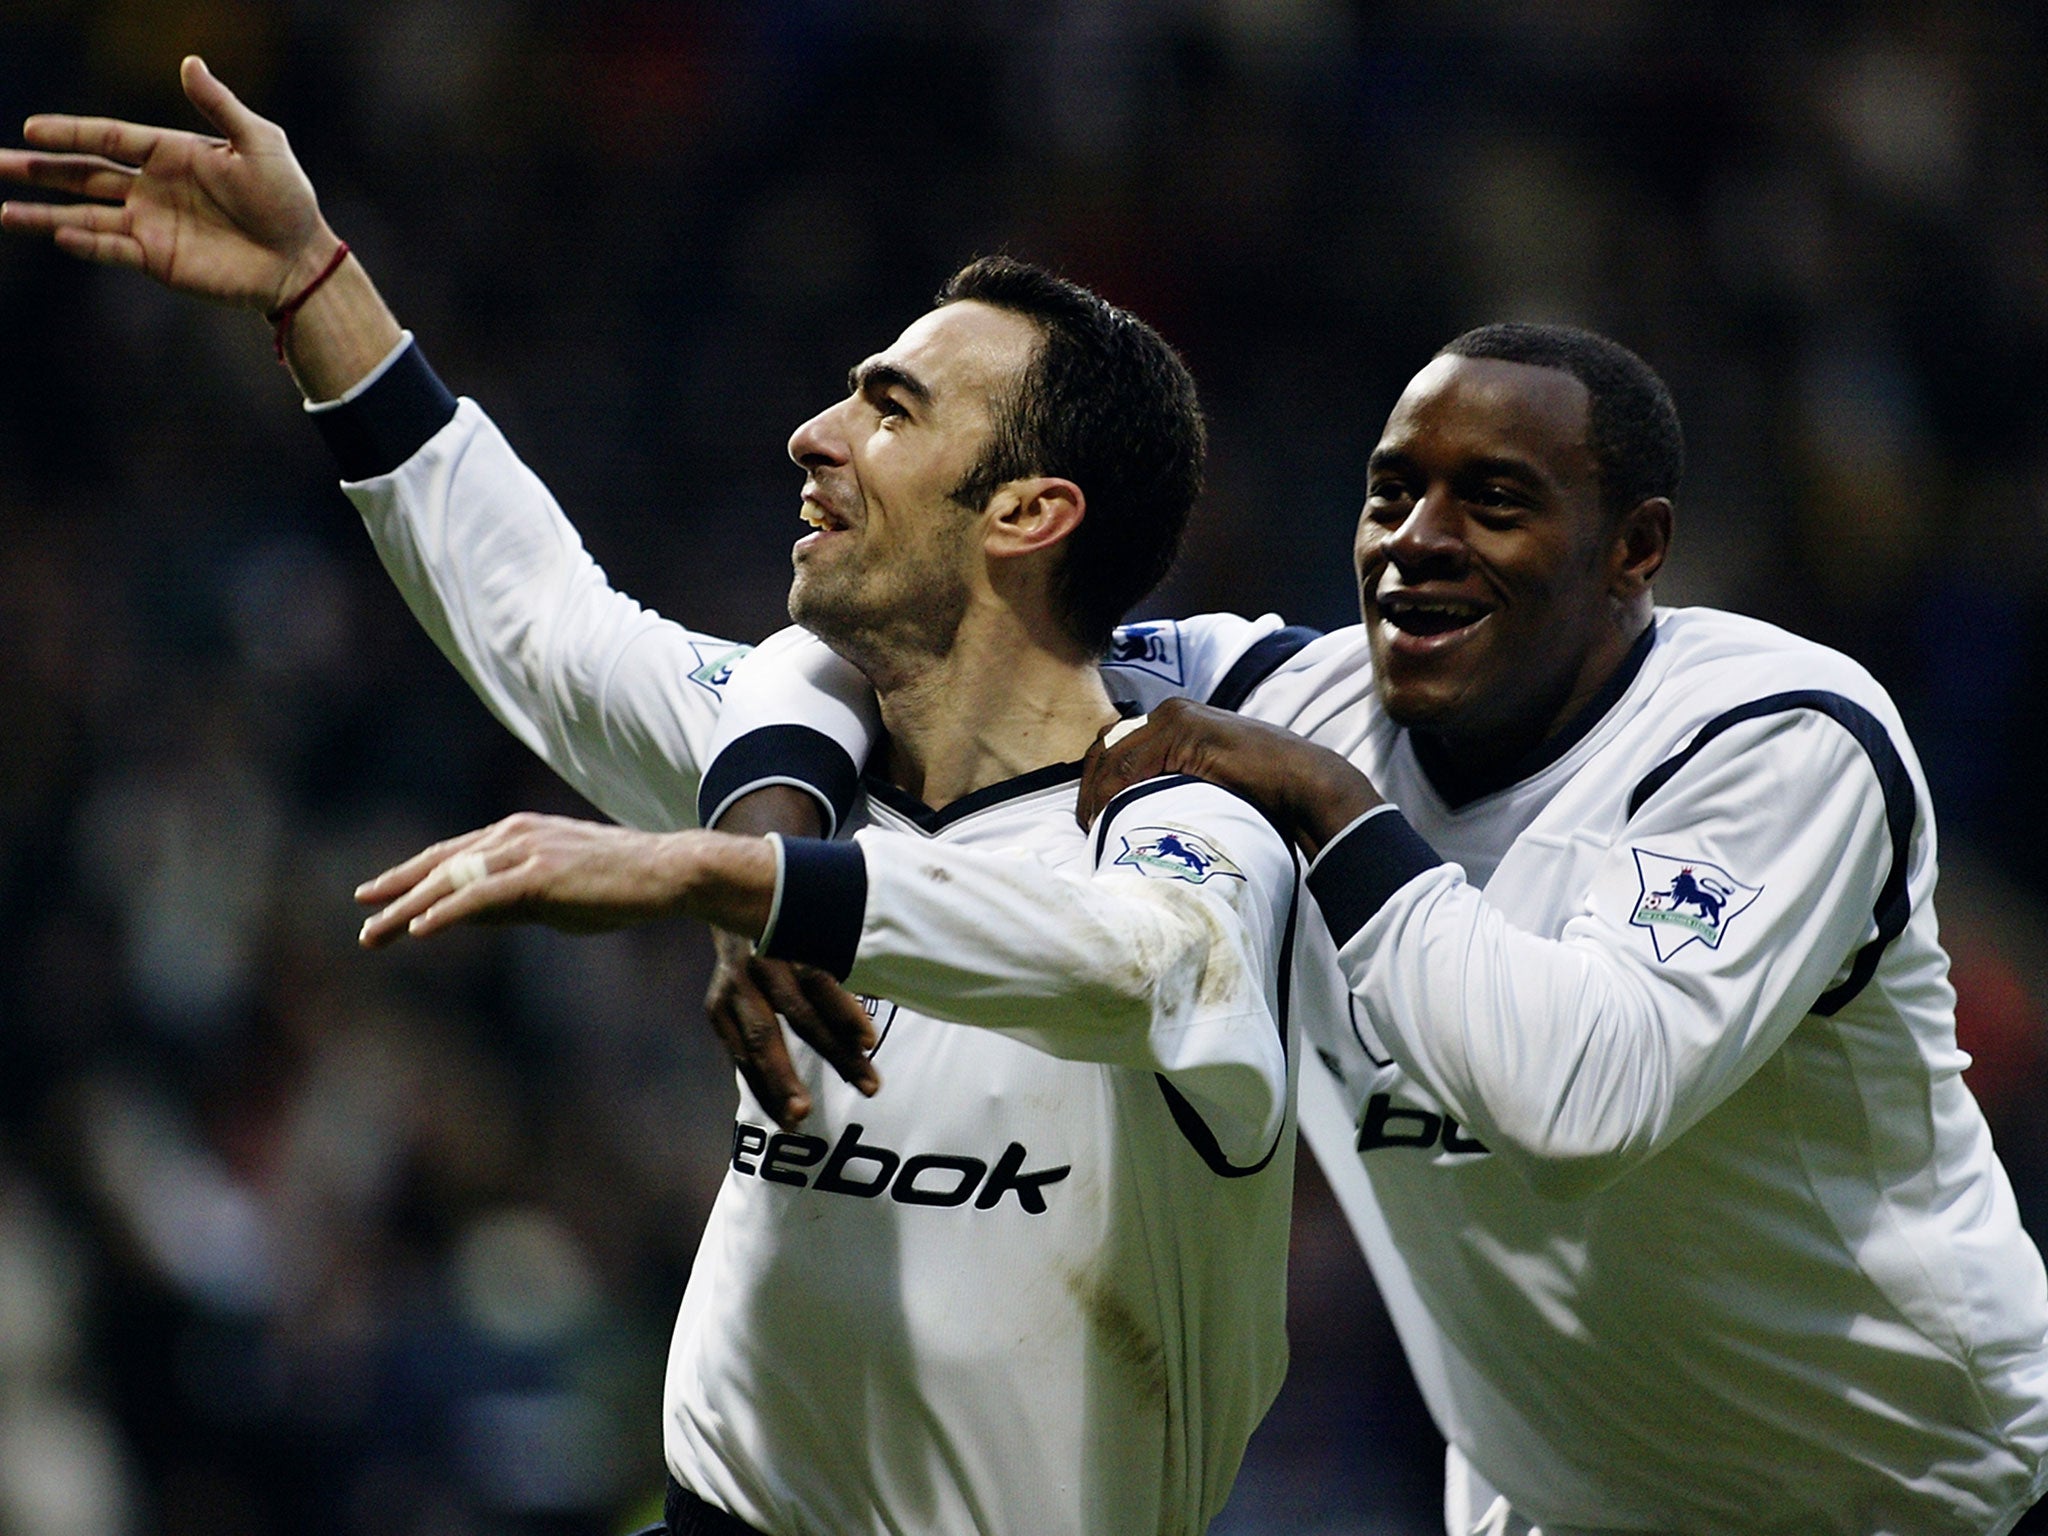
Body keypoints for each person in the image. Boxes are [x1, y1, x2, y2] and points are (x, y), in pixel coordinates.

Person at [0, 60, 1306, 1536]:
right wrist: (315, 288)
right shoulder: (794, 752)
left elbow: (1132, 960)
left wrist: (728, 881)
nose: (816, 433)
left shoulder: (1196, 831)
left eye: (890, 407)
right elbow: (544, 622)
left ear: (1027, 512)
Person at [696, 328, 2048, 1534]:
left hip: (1920, 1491)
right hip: (1559, 1499)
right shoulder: (1299, 692)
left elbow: (1578, 1101)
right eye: (1393, 492)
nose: (1420, 536)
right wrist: (772, 851)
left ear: (1636, 550)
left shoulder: (1775, 739)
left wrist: (1326, 803)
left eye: (1496, 501)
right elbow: (907, 640)